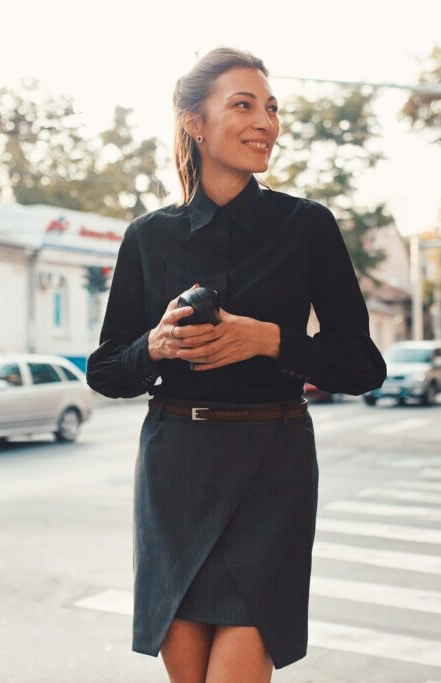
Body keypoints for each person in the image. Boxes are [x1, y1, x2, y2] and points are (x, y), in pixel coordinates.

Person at [86, 47, 386, 683]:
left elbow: (361, 367)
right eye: (244, 105)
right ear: (195, 122)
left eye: (272, 108)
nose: (265, 122)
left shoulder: (307, 226)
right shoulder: (148, 235)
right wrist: (156, 347)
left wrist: (271, 339)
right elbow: (107, 370)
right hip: (175, 468)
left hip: (271, 463)